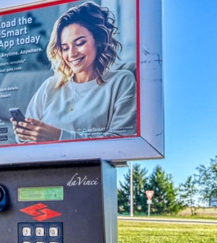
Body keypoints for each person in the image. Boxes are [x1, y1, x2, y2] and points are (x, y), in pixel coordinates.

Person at [11, 1, 136, 143]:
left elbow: (122, 141)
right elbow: (24, 140)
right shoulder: (50, 86)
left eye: (80, 43)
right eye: (65, 48)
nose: (72, 54)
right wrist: (23, 132)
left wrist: (58, 137)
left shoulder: (122, 81)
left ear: (99, 40)